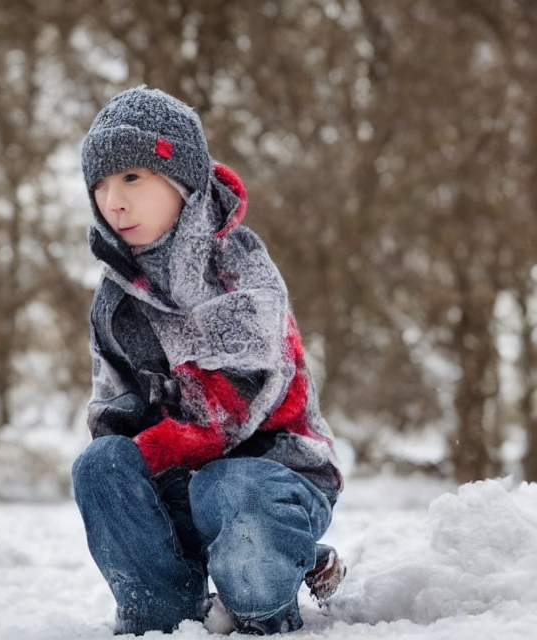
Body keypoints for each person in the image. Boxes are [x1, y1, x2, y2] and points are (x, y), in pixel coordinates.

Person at [70, 85, 345, 635]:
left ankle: (271, 588)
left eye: (131, 178)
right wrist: (126, 453)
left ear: (181, 181)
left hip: (272, 475)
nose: (113, 201)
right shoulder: (115, 300)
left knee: (227, 487)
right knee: (99, 466)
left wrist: (154, 448)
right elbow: (114, 408)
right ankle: (161, 608)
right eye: (98, 185)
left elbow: (234, 402)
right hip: (180, 479)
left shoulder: (236, 266)